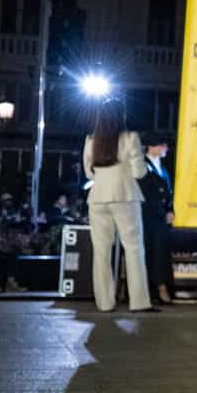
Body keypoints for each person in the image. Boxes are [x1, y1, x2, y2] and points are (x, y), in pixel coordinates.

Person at [83, 101, 152, 312]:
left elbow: (88, 173)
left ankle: (104, 303)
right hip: (125, 195)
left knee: (101, 251)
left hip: (97, 197)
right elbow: (139, 172)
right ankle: (138, 301)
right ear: (120, 115)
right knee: (133, 248)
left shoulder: (91, 140)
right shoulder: (130, 138)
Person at [139, 136, 175, 305]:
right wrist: (161, 211)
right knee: (151, 252)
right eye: (162, 145)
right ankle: (154, 288)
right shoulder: (143, 166)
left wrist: (170, 210)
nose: (165, 148)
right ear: (153, 147)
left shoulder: (164, 169)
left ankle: (162, 286)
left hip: (161, 218)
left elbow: (168, 193)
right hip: (149, 217)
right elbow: (147, 194)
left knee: (161, 253)